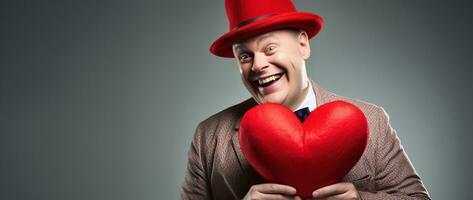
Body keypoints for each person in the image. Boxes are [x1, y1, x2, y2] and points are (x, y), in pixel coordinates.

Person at [181, 0, 431, 199]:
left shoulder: (372, 120)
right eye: (245, 57)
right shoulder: (208, 136)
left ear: (303, 45)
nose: (258, 65)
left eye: (269, 48)